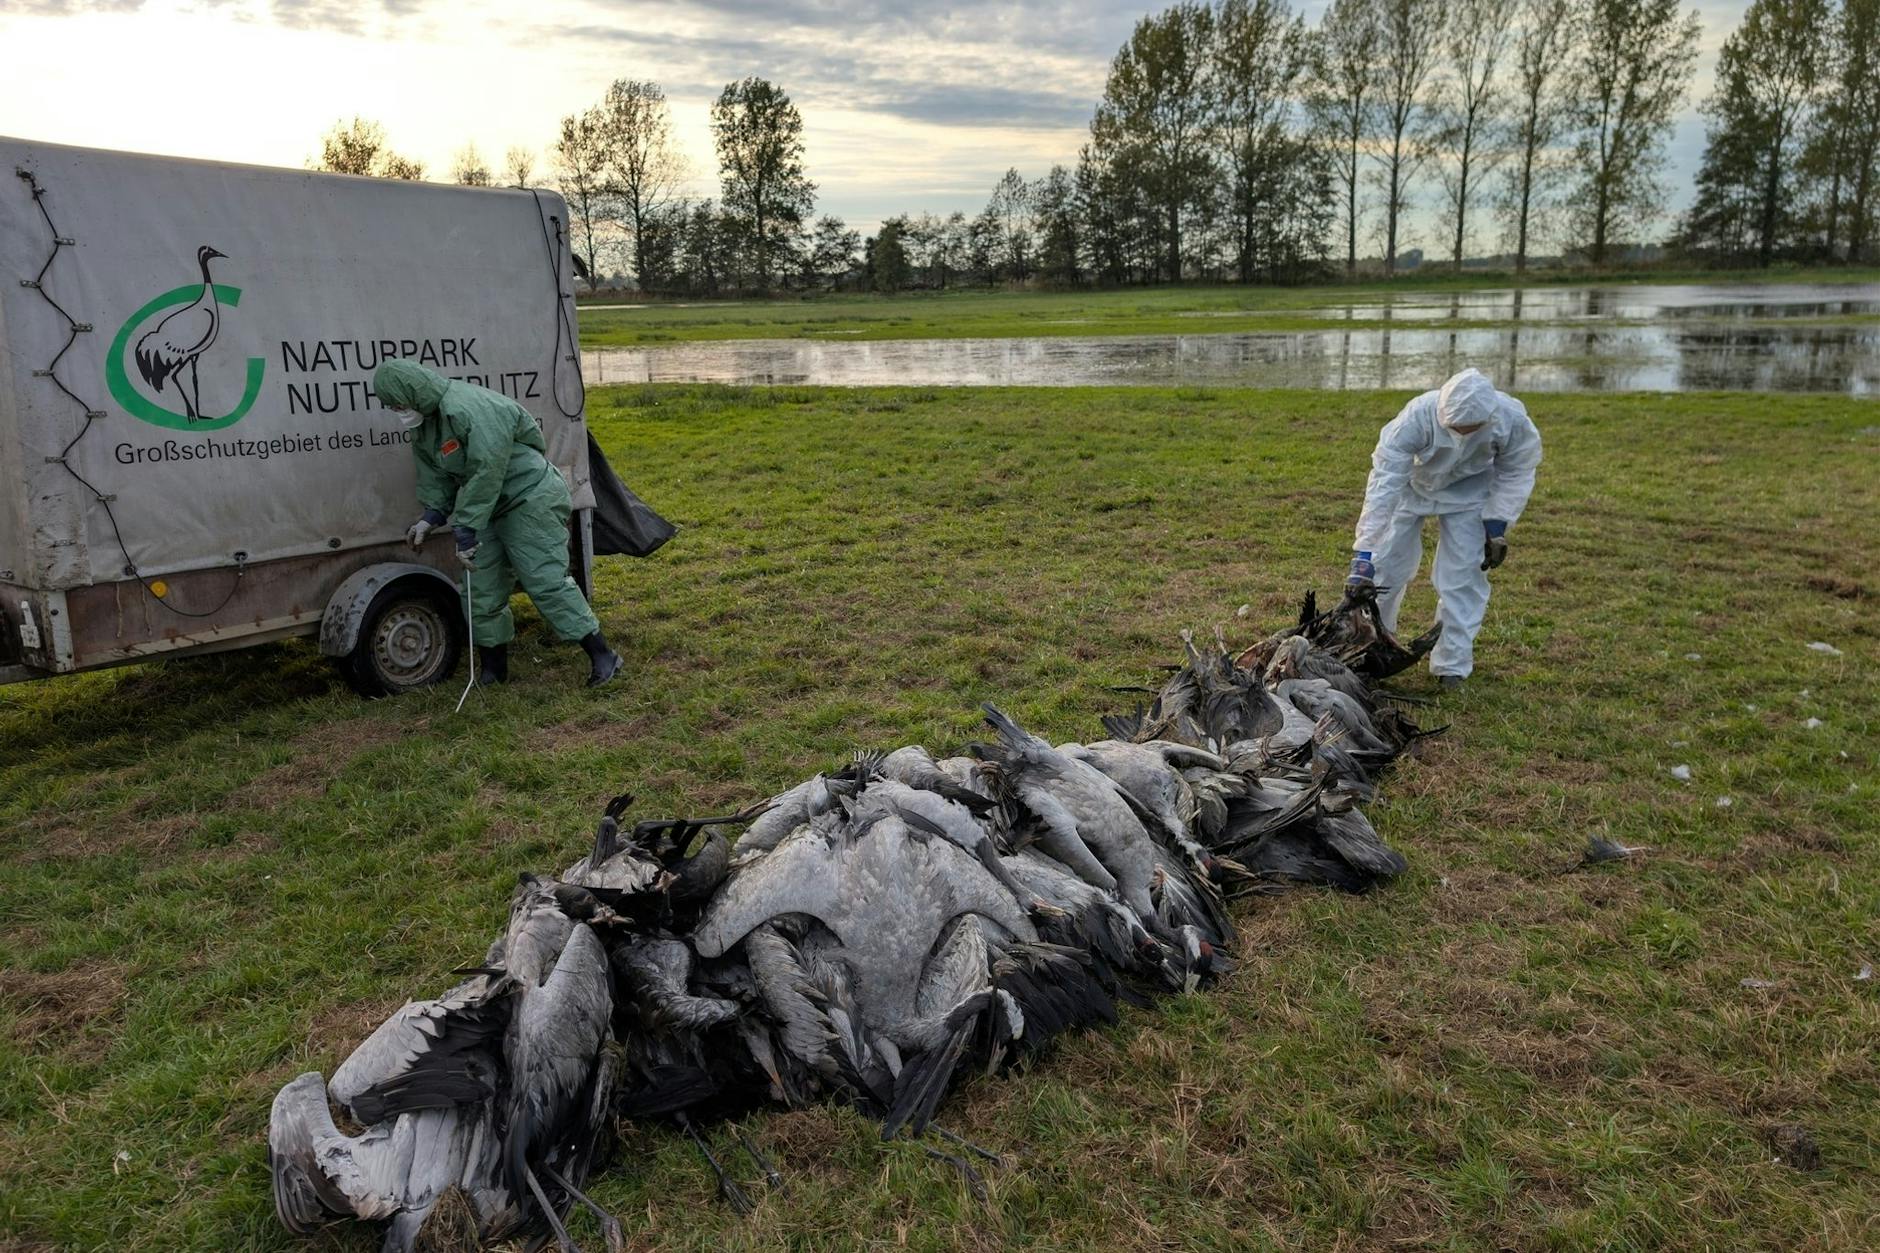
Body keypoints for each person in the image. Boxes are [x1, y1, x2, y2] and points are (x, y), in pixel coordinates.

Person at [374, 359, 621, 688]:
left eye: (399, 403)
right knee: (480, 586)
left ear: (414, 392)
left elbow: (486, 469)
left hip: (529, 497)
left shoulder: (469, 408)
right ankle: (493, 671)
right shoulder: (424, 428)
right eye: (392, 406)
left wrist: (465, 526)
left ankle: (603, 656)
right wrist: (430, 517)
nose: (397, 410)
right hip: (487, 509)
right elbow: (436, 476)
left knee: (544, 579)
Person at [1345, 367, 1542, 689]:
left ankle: (1452, 664)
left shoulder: (1510, 418)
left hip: (1470, 494)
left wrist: (1497, 523)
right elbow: (1384, 483)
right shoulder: (1415, 418)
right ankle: (1371, 652)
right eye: (1455, 427)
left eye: (1470, 428)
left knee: (1463, 577)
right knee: (1384, 571)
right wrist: (1365, 551)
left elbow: (1518, 469)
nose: (1462, 434)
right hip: (1410, 490)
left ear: (1488, 417)